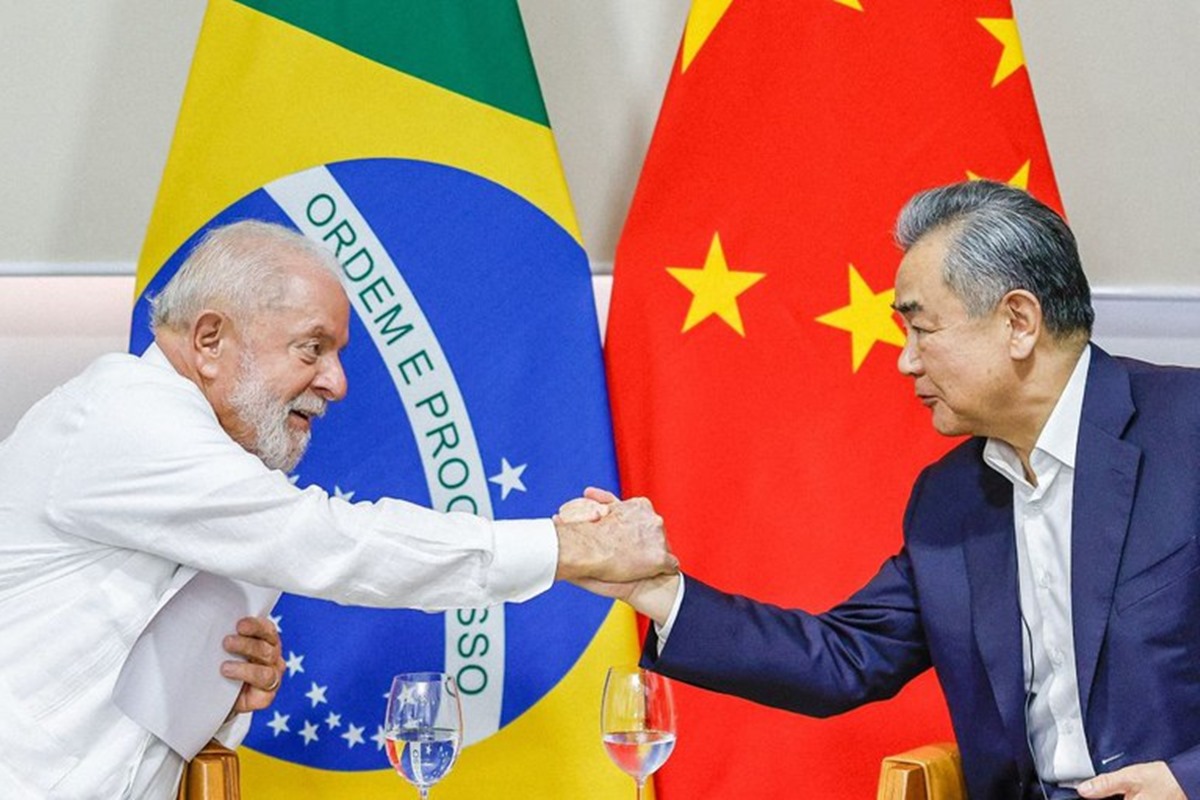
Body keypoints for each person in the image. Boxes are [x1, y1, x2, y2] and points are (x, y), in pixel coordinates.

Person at [0, 220, 676, 798]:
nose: (338, 382)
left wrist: (219, 694)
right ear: (209, 340)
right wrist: (567, 546)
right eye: (312, 348)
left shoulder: (196, 458)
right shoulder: (126, 418)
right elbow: (334, 543)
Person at [568, 181, 1199, 800]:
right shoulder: (950, 499)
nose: (906, 360)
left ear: (1018, 321)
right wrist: (653, 588)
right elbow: (841, 660)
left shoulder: (1188, 430)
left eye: (922, 330)